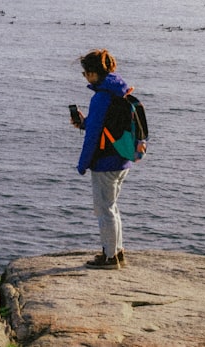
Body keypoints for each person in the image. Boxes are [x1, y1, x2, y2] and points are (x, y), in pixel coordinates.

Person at [70, 49, 133, 270]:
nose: (85, 77)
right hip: (122, 158)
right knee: (112, 207)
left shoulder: (101, 96)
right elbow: (103, 123)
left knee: (103, 210)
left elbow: (93, 135)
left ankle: (109, 258)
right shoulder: (118, 90)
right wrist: (84, 122)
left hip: (105, 162)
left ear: (94, 73)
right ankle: (117, 251)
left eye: (85, 73)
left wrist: (83, 164)